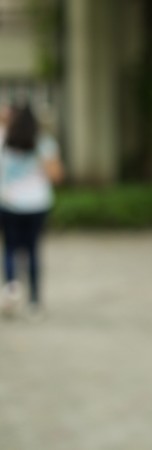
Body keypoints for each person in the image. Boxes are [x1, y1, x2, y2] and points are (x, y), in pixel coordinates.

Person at [0, 104, 64, 318]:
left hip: (9, 203)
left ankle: (12, 286)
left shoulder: (4, 140)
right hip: (37, 203)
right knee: (32, 249)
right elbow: (56, 176)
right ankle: (34, 302)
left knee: (10, 247)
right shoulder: (44, 143)